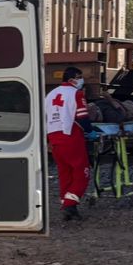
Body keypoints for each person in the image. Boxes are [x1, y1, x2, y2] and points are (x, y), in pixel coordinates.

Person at [45, 66, 91, 221]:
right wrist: (90, 130)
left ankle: (68, 206)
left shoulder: (50, 95)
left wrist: (47, 141)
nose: (81, 80)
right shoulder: (76, 94)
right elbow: (82, 117)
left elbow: (44, 118)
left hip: (54, 139)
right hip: (70, 137)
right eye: (79, 77)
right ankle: (70, 203)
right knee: (82, 172)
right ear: (72, 79)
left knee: (65, 173)